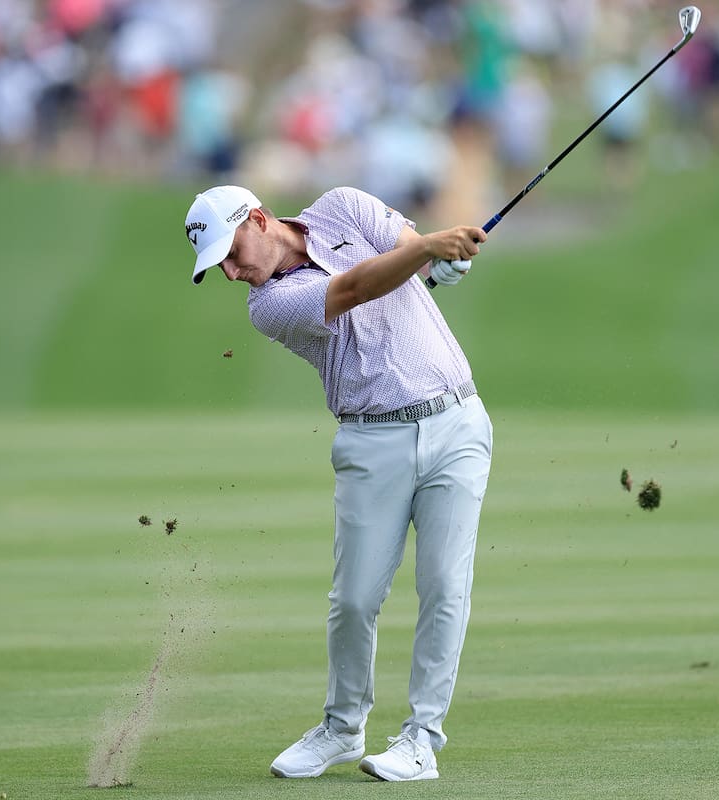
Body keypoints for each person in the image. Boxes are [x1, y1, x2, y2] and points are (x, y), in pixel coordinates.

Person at [184, 185, 493, 782]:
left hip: (456, 423)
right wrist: (430, 246)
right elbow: (354, 287)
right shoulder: (269, 306)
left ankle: (421, 739)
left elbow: (407, 252)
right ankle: (342, 727)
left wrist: (441, 259)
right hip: (371, 440)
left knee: (445, 586)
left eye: (230, 251)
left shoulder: (344, 206)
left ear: (258, 218)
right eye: (217, 265)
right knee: (354, 599)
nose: (229, 271)